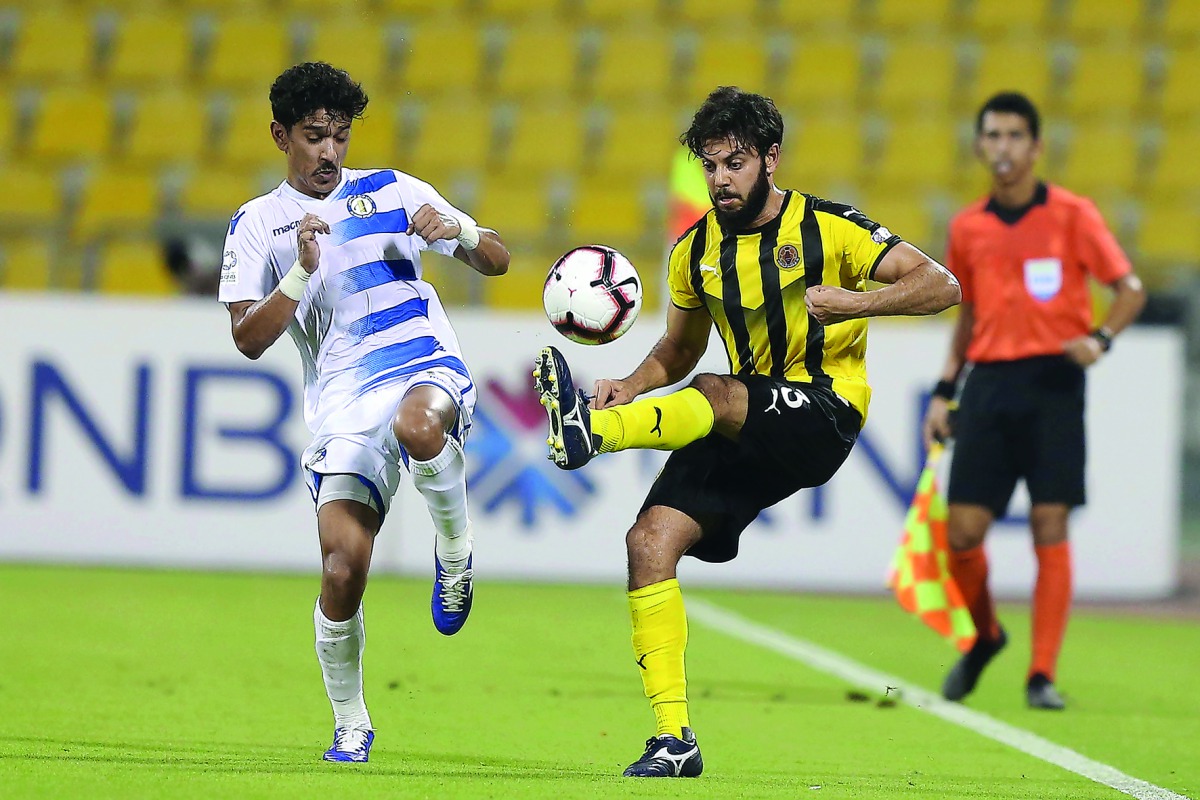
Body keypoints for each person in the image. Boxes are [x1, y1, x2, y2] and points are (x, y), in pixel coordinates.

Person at [534, 86, 962, 778]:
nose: (720, 180)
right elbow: (677, 349)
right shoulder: (693, 251)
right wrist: (628, 383)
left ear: (771, 158)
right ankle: (675, 739)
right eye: (709, 166)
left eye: (734, 163)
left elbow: (942, 285)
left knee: (713, 391)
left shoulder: (829, 228)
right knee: (647, 544)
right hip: (745, 422)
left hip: (823, 413)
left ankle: (598, 433)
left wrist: (857, 301)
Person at [218, 62, 509, 762]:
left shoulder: (394, 189)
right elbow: (248, 338)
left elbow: (497, 258)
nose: (329, 153)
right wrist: (300, 271)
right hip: (344, 403)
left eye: (340, 137)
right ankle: (351, 723)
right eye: (315, 137)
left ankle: (455, 551)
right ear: (280, 135)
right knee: (342, 570)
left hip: (424, 367)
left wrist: (461, 235)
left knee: (420, 428)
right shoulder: (259, 223)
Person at [922, 92, 1146, 710]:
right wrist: (946, 388)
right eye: (993, 135)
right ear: (979, 146)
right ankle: (987, 635)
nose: (1003, 147)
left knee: (1050, 521)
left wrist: (1100, 338)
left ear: (1036, 146)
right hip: (989, 385)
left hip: (1053, 385)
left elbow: (1129, 289)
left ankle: (1040, 674)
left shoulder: (1074, 215)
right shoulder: (968, 226)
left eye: (1015, 136)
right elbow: (967, 317)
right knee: (962, 534)